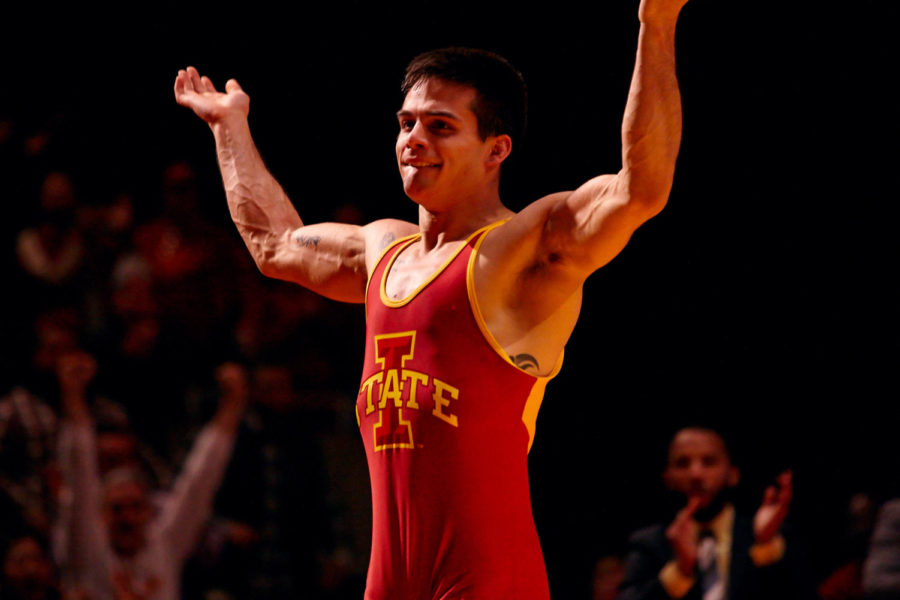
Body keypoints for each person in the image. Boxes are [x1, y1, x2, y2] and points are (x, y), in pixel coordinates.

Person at [174, 0, 688, 596]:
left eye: (440, 126)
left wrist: (658, 21)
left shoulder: (526, 251)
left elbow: (640, 190)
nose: (413, 140)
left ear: (497, 150)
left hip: (489, 581)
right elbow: (275, 244)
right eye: (406, 123)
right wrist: (227, 127)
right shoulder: (381, 251)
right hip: (390, 583)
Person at [53, 352, 246, 600]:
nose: (128, 518)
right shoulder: (86, 549)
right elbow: (79, 475)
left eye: (136, 507)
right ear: (101, 515)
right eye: (117, 509)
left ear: (149, 511)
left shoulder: (164, 545)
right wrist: (73, 395)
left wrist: (232, 405)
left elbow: (200, 481)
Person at [616, 426, 815, 600]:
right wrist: (679, 571)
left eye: (709, 462)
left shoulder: (767, 535)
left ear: (733, 474)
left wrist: (766, 546)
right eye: (683, 463)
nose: (696, 474)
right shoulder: (649, 543)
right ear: (668, 478)